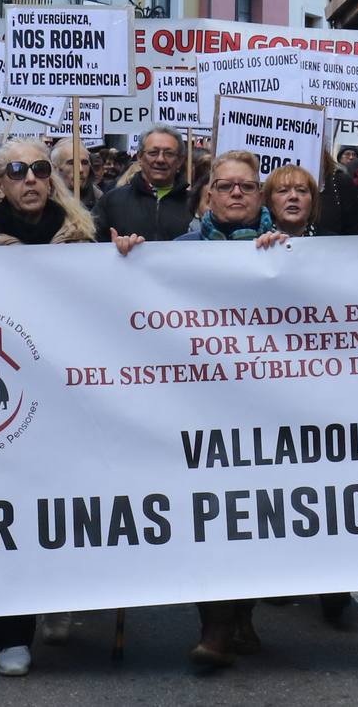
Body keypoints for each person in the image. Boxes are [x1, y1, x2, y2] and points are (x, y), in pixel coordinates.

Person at [112, 151, 287, 668]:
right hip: (198, 409)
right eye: (226, 186)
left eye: (247, 187)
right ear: (207, 194)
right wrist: (127, 259)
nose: (236, 194)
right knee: (209, 516)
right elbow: (138, 304)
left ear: (261, 196)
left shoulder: (287, 250)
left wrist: (286, 260)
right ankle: (215, 626)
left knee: (258, 519)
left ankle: (241, 616)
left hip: (266, 409)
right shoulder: (180, 250)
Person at [0, 139, 97, 675]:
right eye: (17, 170)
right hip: (4, 404)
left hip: (69, 402)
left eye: (40, 169)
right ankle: (11, 630)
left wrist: (128, 253)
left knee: (62, 509)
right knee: (7, 513)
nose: (31, 178)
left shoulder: (85, 238)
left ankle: (58, 598)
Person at [95, 125, 192, 241]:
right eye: (153, 153)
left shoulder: (194, 203)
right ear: (140, 157)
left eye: (169, 153)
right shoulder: (112, 201)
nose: (160, 159)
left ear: (180, 160)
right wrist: (116, 250)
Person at [50, 137, 102, 221]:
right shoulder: (44, 200)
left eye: (85, 163)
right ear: (55, 167)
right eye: (71, 163)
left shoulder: (100, 200)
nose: (80, 169)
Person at [264, 164, 320, 236]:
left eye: (301, 190)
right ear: (269, 201)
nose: (294, 196)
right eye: (283, 190)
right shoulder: (254, 242)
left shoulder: (332, 242)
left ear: (313, 200)